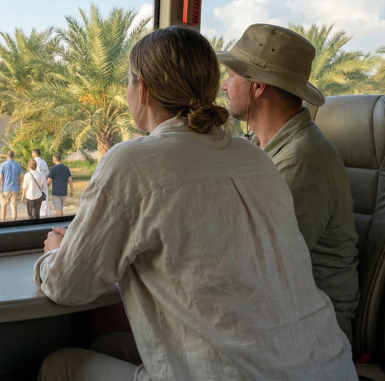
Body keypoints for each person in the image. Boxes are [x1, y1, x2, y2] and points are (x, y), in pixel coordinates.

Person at [35, 26, 355, 381]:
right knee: (108, 343)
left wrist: (55, 252)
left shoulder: (130, 162)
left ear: (141, 89)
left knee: (59, 364)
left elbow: (66, 286)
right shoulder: (254, 156)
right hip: (325, 362)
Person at [219, 23, 360, 342]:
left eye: (231, 76)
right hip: (275, 315)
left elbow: (258, 267)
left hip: (307, 331)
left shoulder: (302, 160)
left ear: (257, 87)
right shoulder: (263, 145)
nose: (225, 87)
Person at [0, 150, 23, 222]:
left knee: (4, 206)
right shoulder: (17, 165)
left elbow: (0, 177)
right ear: (13, 156)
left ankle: (3, 221)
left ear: (6, 155)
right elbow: (20, 178)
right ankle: (14, 222)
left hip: (5, 189)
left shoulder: (3, 165)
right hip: (15, 189)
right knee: (14, 207)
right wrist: (18, 184)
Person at [31, 149, 50, 217]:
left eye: (32, 153)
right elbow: (47, 173)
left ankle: (37, 213)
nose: (32, 155)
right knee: (45, 197)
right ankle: (45, 214)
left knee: (36, 198)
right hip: (44, 182)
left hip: (35, 183)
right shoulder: (44, 162)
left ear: (35, 154)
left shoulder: (33, 162)